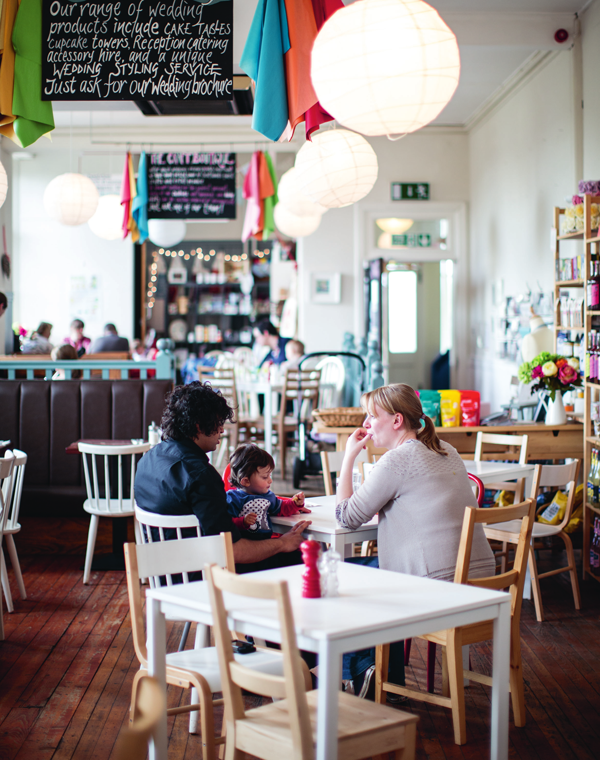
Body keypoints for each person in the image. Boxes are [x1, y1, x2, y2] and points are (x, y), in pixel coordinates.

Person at [336, 383, 496, 700]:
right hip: (483, 581)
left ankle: (363, 672)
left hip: (438, 586)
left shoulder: (396, 461)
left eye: (371, 416)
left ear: (397, 420)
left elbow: (347, 517)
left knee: (344, 576)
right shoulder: (445, 449)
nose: (366, 424)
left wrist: (349, 458)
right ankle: (378, 674)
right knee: (380, 574)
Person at [134, 381, 310, 574]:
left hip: (164, 575)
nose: (222, 430)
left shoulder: (148, 459)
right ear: (199, 426)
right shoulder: (200, 476)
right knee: (305, 553)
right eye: (218, 424)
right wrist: (283, 543)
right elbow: (232, 551)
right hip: (204, 577)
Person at [226, 443, 310, 537]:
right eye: (265, 477)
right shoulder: (233, 498)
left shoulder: (268, 496)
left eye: (269, 475)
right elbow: (226, 522)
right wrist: (243, 522)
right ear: (246, 481)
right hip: (245, 544)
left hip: (267, 541)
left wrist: (295, 504)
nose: (270, 480)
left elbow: (282, 508)